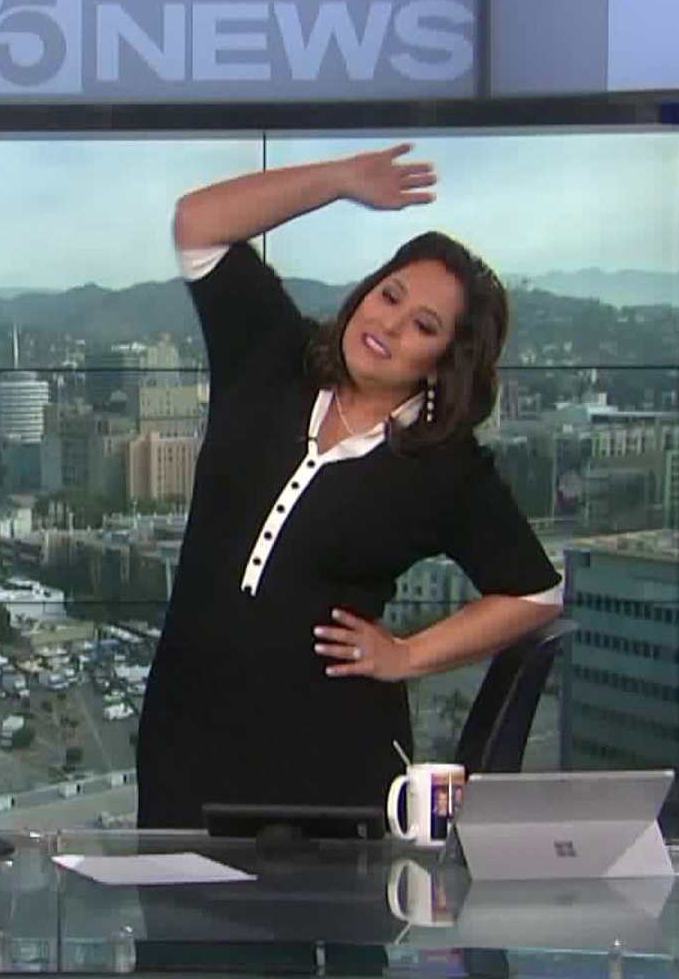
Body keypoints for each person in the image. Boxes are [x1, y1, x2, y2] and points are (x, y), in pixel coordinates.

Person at [135, 142, 563, 829]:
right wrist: (337, 180)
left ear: (443, 361)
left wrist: (407, 655)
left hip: (333, 762)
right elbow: (198, 222)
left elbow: (535, 594)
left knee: (337, 934)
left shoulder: (443, 465)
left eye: (422, 325)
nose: (389, 324)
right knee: (184, 935)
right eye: (389, 294)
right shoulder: (272, 356)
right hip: (185, 743)